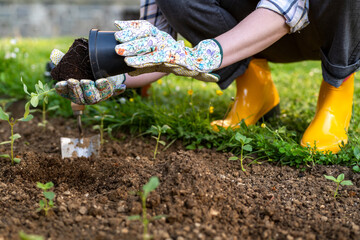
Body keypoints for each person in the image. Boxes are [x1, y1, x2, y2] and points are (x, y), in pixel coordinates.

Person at [54, 0, 360, 154]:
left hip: (322, 23)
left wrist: (205, 54)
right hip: (249, 36)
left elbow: (290, 6)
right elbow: (158, 44)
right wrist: (116, 81)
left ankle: (336, 93)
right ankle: (256, 91)